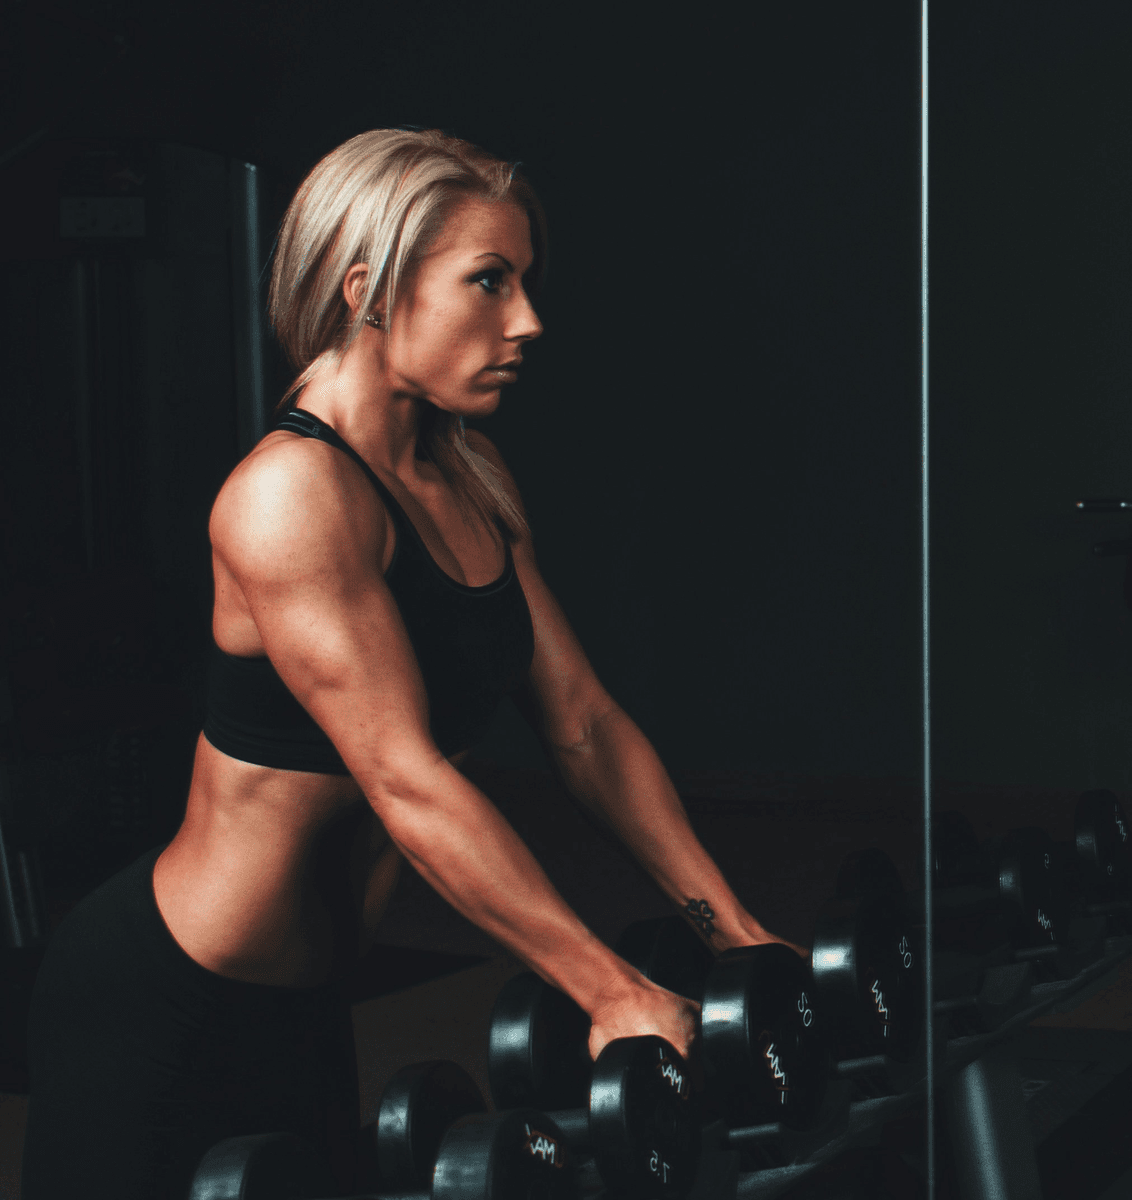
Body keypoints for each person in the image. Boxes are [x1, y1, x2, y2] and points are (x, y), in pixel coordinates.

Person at [22, 128, 798, 1199]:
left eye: (524, 281)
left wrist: (738, 937)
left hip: (305, 1010)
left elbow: (584, 725)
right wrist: (608, 990)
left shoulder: (465, 477)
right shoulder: (292, 497)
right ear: (366, 289)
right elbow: (406, 781)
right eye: (488, 282)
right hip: (167, 1000)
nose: (527, 320)